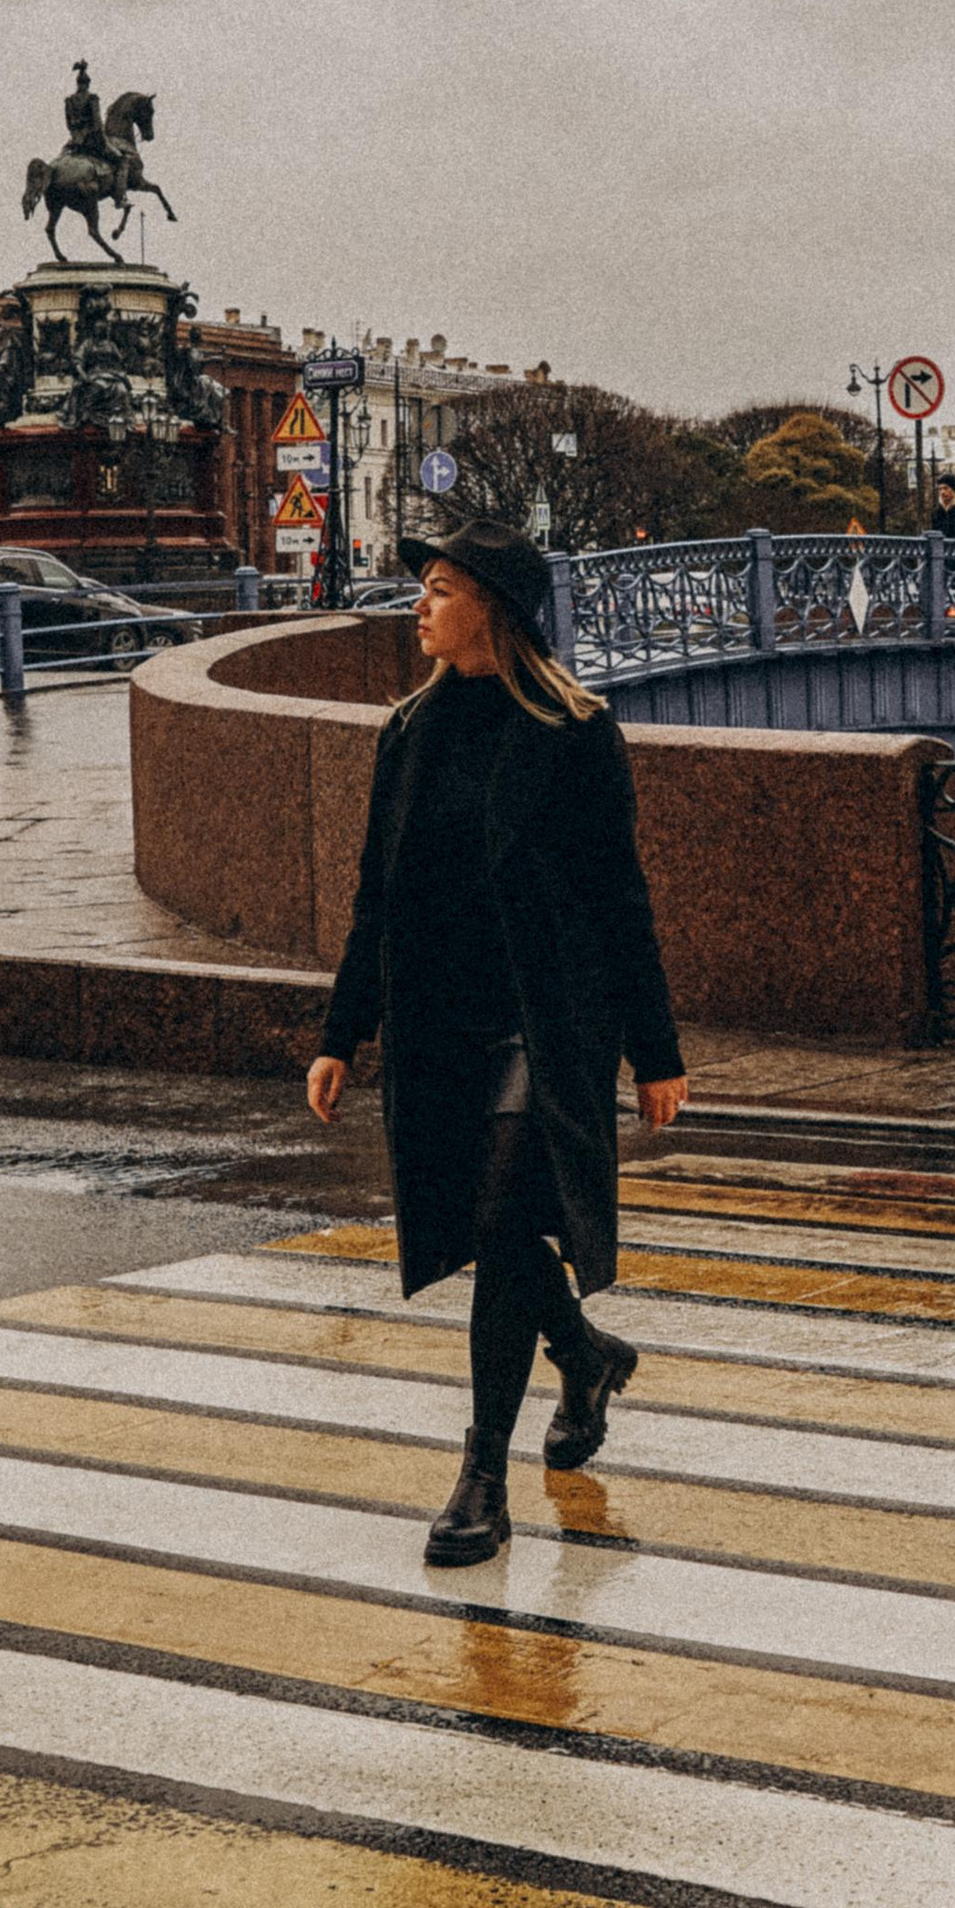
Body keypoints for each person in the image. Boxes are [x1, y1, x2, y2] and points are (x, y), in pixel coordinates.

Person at [304, 523, 688, 1566]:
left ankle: (481, 1477)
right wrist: (342, 1034)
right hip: (442, 1020)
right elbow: (377, 899)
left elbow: (620, 901)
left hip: (545, 1019)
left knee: (504, 1212)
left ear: (495, 609)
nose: (418, 606)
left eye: (438, 588)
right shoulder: (408, 731)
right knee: (503, 1230)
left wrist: (655, 1050)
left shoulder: (575, 732)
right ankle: (584, 1353)